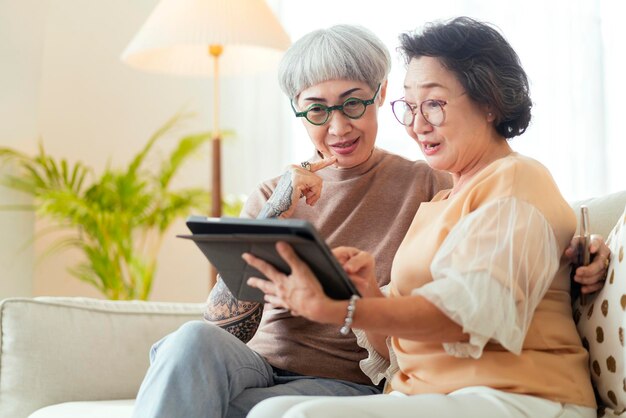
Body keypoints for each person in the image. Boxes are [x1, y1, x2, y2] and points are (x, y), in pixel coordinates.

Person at [132, 24, 607, 418]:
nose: (337, 127)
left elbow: (510, 225)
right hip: (259, 364)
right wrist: (275, 208)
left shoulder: (432, 183)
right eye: (317, 109)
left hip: (348, 380)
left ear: (379, 95)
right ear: (297, 111)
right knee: (190, 341)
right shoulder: (274, 194)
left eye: (353, 103)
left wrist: (583, 248)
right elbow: (222, 330)